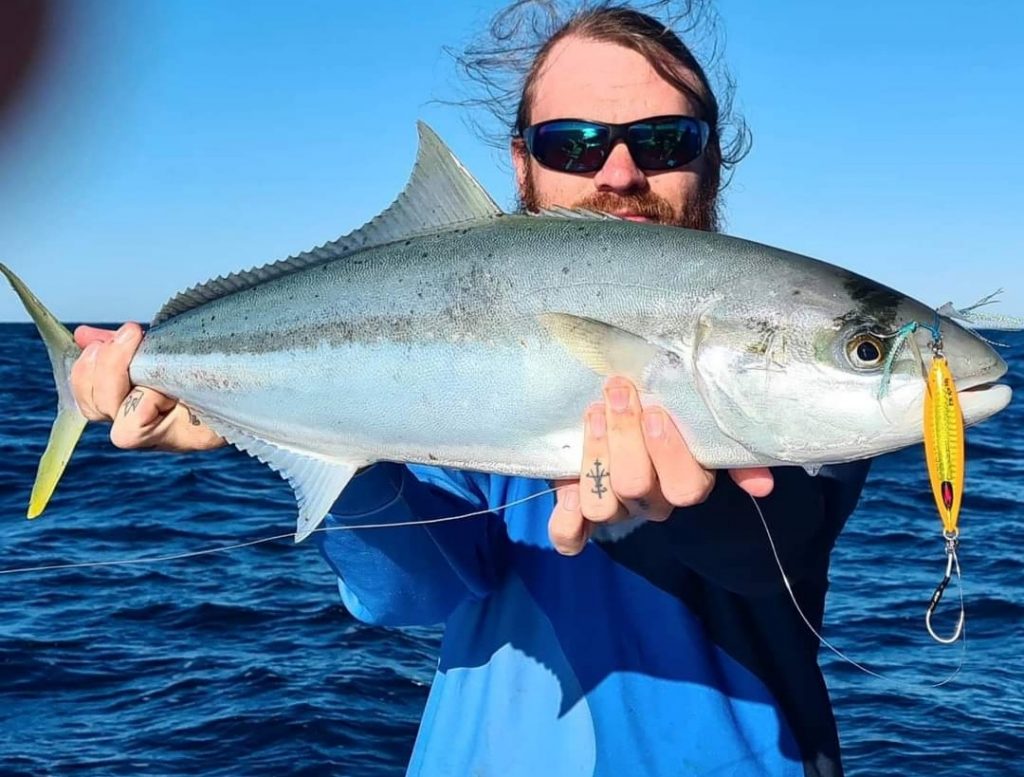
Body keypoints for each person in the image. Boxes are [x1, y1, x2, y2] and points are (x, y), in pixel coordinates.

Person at [70, 5, 869, 776]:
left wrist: (698, 503)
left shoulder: (788, 326)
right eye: (574, 144)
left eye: (664, 140)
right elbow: (413, 587)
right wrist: (296, 430)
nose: (620, 172)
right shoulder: (465, 353)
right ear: (522, 165)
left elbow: (782, 542)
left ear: (711, 159)